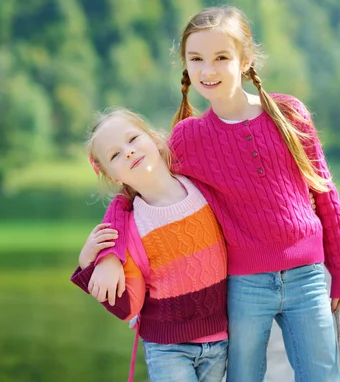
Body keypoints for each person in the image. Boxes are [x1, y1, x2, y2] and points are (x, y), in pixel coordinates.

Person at [86, 5, 340, 382]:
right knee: (244, 376)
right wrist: (111, 255)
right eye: (196, 59)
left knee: (321, 374)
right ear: (185, 64)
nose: (207, 70)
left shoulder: (289, 113)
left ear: (245, 60)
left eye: (221, 58)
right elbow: (137, 194)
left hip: (307, 277)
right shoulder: (188, 138)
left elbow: (325, 194)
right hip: (244, 285)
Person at [71, 108, 229, 382]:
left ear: (155, 140)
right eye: (115, 155)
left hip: (221, 339)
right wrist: (89, 264)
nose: (128, 151)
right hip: (168, 348)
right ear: (114, 177)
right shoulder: (130, 230)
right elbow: (127, 306)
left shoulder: (202, 189)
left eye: (132, 139)